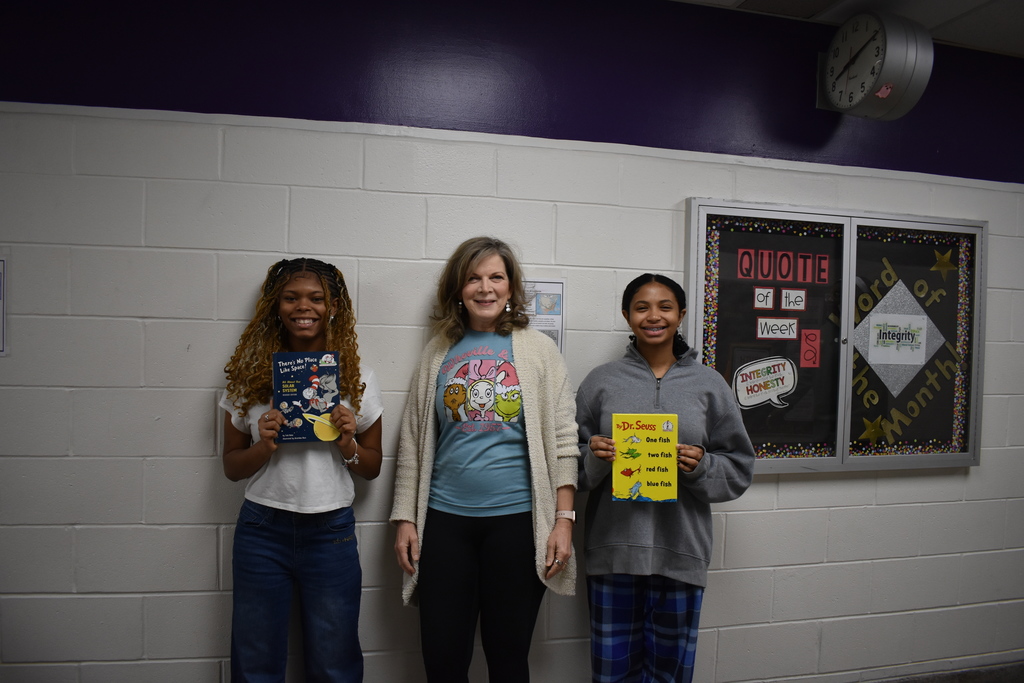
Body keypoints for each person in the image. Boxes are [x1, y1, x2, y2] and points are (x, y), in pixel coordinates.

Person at [390, 236, 578, 683]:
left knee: (508, 660)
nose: (485, 287)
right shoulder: (438, 351)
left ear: (511, 287)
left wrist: (564, 521)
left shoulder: (539, 351)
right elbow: (413, 441)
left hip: (517, 525)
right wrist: (405, 519)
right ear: (458, 288)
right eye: (473, 278)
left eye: (496, 277)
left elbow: (564, 440)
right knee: (442, 660)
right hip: (444, 523)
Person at [575, 273, 755, 683]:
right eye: (642, 307)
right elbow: (567, 466)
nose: (653, 316)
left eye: (665, 307)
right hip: (614, 552)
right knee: (612, 673)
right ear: (627, 315)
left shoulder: (709, 384)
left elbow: (739, 467)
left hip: (681, 552)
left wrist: (701, 466)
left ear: (681, 315)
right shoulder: (600, 382)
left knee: (670, 675)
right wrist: (595, 458)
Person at [220, 258, 384, 683]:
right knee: (255, 662)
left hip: (331, 531)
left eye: (316, 298)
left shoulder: (357, 377)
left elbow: (373, 467)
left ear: (333, 307)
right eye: (291, 298)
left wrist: (347, 442)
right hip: (262, 529)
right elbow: (231, 467)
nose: (303, 307)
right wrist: (264, 445)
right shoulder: (250, 376)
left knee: (335, 662)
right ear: (276, 306)